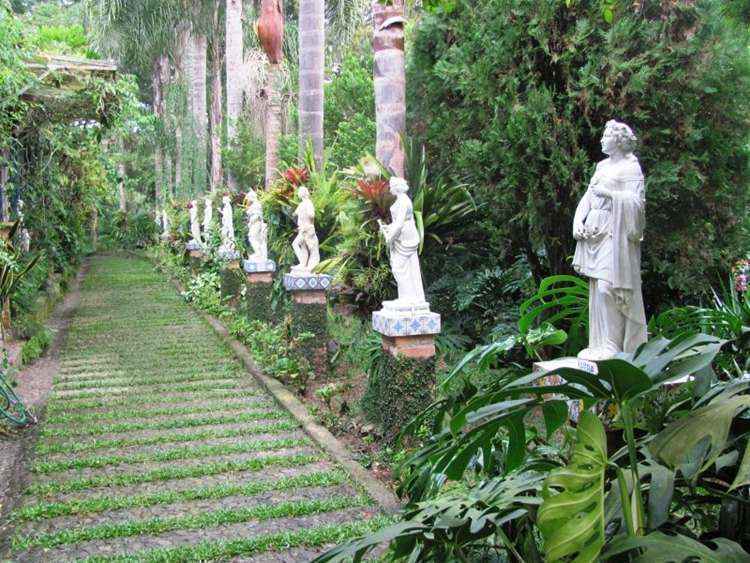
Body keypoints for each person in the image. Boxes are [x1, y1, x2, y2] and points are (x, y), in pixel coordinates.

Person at [572, 120, 647, 361]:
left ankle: (614, 344)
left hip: (616, 235)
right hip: (595, 233)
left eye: (606, 135)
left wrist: (611, 195)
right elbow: (588, 195)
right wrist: (577, 220)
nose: (602, 139)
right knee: (597, 289)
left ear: (619, 140)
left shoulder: (631, 167)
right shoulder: (602, 166)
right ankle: (600, 343)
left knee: (609, 288)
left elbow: (637, 204)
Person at [379, 177, 426, 306]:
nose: (390, 188)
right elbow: (397, 223)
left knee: (398, 267)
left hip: (405, 238)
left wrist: (390, 237)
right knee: (403, 267)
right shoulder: (401, 200)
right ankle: (406, 297)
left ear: (397, 187)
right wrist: (388, 228)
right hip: (402, 236)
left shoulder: (404, 201)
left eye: (391, 185)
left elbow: (400, 224)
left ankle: (408, 298)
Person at [291, 186, 320, 273]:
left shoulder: (308, 203)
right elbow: (295, 213)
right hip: (302, 229)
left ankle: (311, 266)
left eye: (299, 192)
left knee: (307, 247)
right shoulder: (302, 204)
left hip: (307, 229)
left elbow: (311, 215)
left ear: (302, 193)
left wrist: (307, 223)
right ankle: (303, 264)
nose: (298, 194)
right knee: (303, 247)